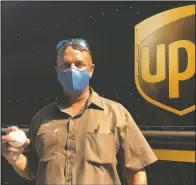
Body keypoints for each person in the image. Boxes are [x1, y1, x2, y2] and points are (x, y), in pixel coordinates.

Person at [1, 38, 158, 185]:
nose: (72, 70)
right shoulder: (41, 118)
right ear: (57, 71)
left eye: (79, 64)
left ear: (91, 70)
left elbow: (135, 170)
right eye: (65, 66)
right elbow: (33, 171)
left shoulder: (116, 114)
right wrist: (14, 158)